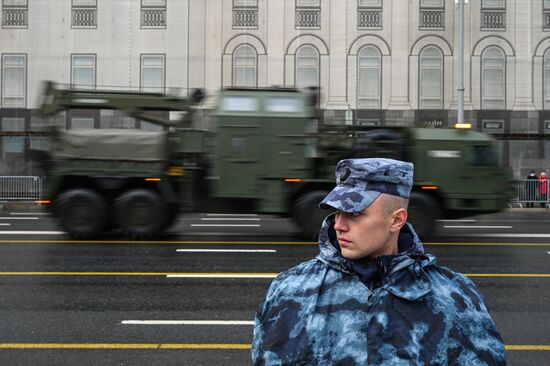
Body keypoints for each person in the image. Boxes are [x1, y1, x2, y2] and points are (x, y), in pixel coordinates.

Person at [252, 158, 505, 365]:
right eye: (337, 211)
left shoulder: (454, 298)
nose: (338, 224)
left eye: (354, 213)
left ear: (396, 220)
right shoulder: (290, 290)